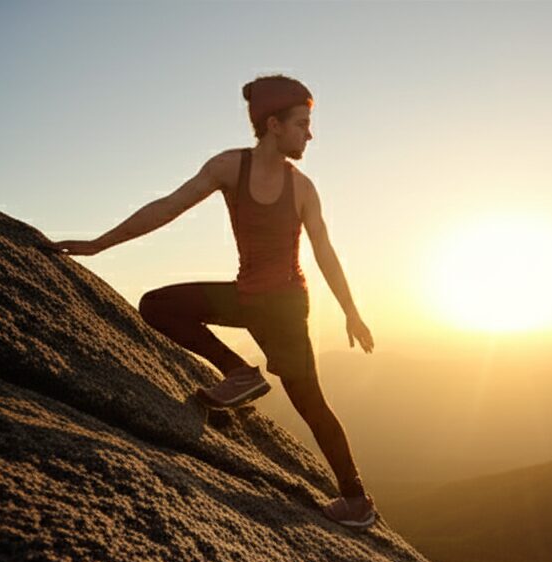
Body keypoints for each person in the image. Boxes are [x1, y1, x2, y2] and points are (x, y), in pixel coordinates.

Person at [46, 75, 378, 529]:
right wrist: (97, 245)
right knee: (157, 305)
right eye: (303, 124)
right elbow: (166, 208)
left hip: (283, 308)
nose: (310, 134)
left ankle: (356, 499)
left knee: (311, 404)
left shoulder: (301, 188)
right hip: (246, 297)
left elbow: (324, 252)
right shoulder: (228, 167)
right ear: (273, 124)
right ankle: (239, 372)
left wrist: (351, 312)